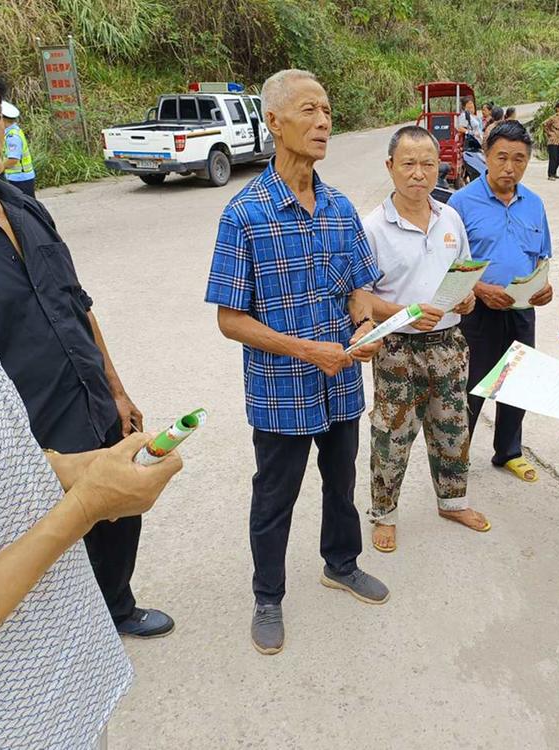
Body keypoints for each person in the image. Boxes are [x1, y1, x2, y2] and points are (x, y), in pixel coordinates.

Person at [0, 32, 182, 748]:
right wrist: (81, 505)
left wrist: (76, 469)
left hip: (63, 701)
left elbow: (74, 299)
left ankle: (116, 604)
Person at [0, 58, 173, 639]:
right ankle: (72, 632)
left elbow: (77, 302)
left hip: (92, 402)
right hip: (29, 429)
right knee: (49, 540)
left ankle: (117, 608)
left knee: (119, 515)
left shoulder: (25, 206)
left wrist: (117, 390)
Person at [205, 69, 389, 657]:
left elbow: (359, 288)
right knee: (274, 497)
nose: (323, 122)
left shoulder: (339, 208)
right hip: (282, 390)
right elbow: (229, 319)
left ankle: (341, 563)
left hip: (342, 387)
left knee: (341, 483)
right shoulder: (245, 214)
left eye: (328, 111)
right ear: (275, 122)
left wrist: (365, 324)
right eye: (309, 111)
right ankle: (267, 597)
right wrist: (307, 349)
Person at [362, 125, 488, 553]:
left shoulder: (450, 217)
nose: (418, 173)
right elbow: (358, 296)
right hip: (398, 351)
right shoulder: (374, 227)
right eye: (409, 164)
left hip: (450, 344)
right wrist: (402, 315)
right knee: (392, 436)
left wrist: (467, 300)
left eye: (428, 164)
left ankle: (453, 501)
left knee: (452, 428)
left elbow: (464, 273)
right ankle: (384, 513)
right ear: (390, 167)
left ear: (440, 167)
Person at [448, 121, 554, 484]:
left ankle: (508, 451)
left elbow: (542, 258)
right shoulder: (461, 203)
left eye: (519, 159)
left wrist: (544, 288)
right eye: (502, 157)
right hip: (476, 313)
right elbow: (448, 264)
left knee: (518, 382)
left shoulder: (534, 204)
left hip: (521, 310)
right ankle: (454, 456)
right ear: (486, 157)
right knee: (470, 384)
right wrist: (479, 290)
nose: (510, 167)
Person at [2, 99, 35, 197]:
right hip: (17, 177)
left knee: (24, 207)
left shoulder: (12, 137)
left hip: (20, 178)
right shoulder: (10, 132)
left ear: (3, 119)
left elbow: (13, 160)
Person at [543, 101, 559, 181]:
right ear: (557, 109)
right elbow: (545, 124)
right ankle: (550, 174)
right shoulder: (553, 118)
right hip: (553, 141)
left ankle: (554, 172)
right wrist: (550, 133)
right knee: (553, 158)